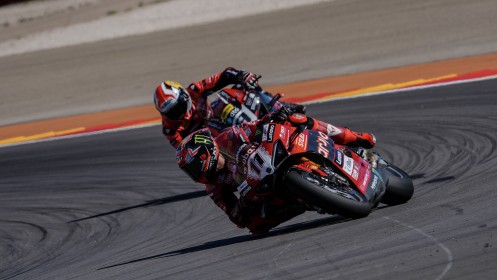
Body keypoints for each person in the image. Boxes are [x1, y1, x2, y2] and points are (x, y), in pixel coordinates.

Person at [175, 107, 376, 234]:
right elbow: (236, 217)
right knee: (255, 226)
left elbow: (257, 125)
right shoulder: (213, 187)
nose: (194, 175)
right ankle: (306, 200)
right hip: (263, 188)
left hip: (271, 153)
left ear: (205, 152)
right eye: (190, 172)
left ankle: (355, 138)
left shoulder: (229, 137)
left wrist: (275, 116)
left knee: (296, 119)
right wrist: (244, 203)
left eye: (193, 168)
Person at [154, 67, 296, 148]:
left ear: (184, 96)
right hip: (211, 139)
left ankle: (277, 107)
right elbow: (183, 148)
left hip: (217, 111)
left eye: (178, 107)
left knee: (242, 86)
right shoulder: (169, 128)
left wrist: (241, 75)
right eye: (172, 113)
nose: (179, 114)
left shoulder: (194, 90)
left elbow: (223, 76)